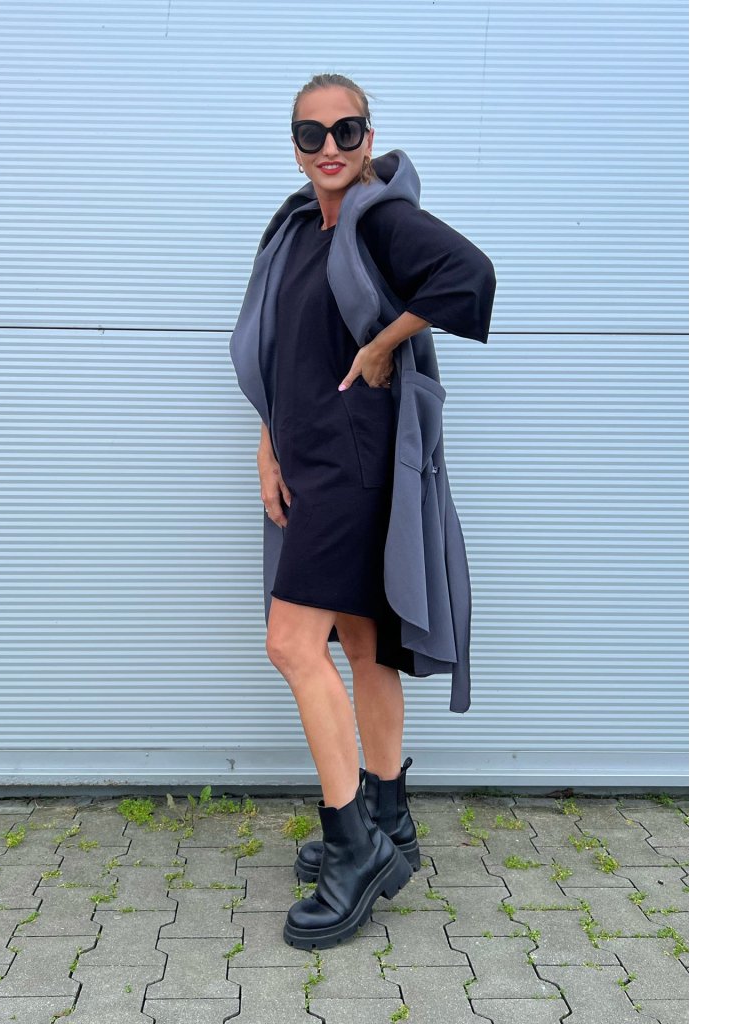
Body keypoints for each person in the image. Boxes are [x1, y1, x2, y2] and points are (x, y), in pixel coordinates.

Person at [230, 73, 496, 949]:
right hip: (308, 454)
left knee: (290, 642)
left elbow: (468, 274)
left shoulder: (380, 218)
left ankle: (355, 850)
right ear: (294, 146)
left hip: (354, 459)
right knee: (358, 642)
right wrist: (267, 445)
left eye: (346, 130)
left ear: (369, 135)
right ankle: (390, 819)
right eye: (311, 134)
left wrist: (385, 343)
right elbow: (284, 358)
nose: (330, 147)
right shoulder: (298, 232)